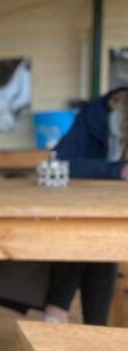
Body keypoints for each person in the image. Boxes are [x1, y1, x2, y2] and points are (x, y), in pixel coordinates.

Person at [42, 86, 127, 325]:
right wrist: (117, 170)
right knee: (89, 231)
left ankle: (57, 312)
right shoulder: (97, 114)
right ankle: (77, 320)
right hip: (89, 208)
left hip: (113, 213)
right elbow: (60, 159)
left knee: (100, 236)